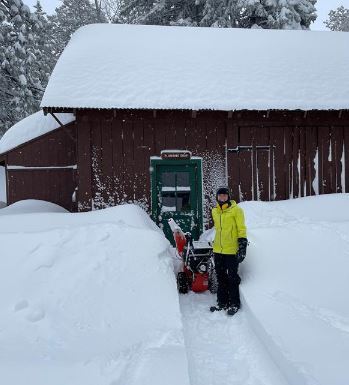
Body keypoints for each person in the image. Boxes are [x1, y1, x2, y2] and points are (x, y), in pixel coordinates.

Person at [210, 186, 248, 316]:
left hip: (231, 250)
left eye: (224, 196)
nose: (222, 198)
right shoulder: (215, 211)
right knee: (221, 277)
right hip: (218, 250)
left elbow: (241, 228)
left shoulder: (236, 210)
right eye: (220, 196)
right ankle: (222, 303)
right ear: (217, 197)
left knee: (232, 278)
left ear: (228, 197)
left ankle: (234, 303)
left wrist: (242, 244)